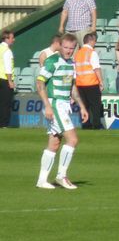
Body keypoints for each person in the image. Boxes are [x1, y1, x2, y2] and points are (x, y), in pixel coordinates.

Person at [36, 34, 88, 190]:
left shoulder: (71, 63)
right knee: (72, 140)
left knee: (54, 142)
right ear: (60, 45)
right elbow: (40, 83)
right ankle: (61, 176)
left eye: (72, 48)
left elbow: (72, 87)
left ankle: (42, 180)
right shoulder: (52, 61)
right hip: (56, 103)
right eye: (66, 48)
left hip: (65, 104)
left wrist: (82, 106)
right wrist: (47, 105)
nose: (68, 51)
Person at [73, 32, 104, 129]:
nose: (95, 43)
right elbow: (96, 68)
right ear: (91, 41)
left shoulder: (78, 53)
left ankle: (86, 124)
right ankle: (96, 125)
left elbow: (75, 69)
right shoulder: (92, 52)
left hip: (80, 83)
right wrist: (101, 82)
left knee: (84, 105)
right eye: (95, 41)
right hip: (91, 82)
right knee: (95, 105)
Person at [0, 30, 15, 127]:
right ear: (7, 38)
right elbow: (8, 67)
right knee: (6, 103)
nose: (14, 40)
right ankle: (4, 124)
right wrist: (10, 81)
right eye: (12, 38)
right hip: (5, 79)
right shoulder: (7, 51)